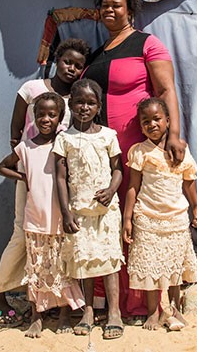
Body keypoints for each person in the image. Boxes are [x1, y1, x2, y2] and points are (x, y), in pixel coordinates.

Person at [80, 0, 187, 319]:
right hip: (100, 153)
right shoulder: (96, 53)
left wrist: (173, 135)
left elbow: (166, 90)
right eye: (104, 5)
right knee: (106, 219)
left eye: (117, 5)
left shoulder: (147, 44)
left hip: (136, 150)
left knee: (137, 221)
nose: (109, 10)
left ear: (130, 10)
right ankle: (105, 300)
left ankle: (141, 301)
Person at [0, 38, 90, 325]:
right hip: (32, 172)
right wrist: (23, 171)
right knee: (22, 234)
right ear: (57, 59)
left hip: (60, 177)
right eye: (68, 62)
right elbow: (15, 132)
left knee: (58, 238)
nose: (71, 69)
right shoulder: (32, 89)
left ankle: (55, 299)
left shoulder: (76, 99)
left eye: (78, 66)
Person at [0, 92, 86, 337]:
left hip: (60, 217)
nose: (46, 119)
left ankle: (65, 315)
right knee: (36, 268)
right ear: (33, 117)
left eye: (52, 115)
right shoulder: (25, 147)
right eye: (41, 114)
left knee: (62, 268)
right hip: (35, 218)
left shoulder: (63, 144)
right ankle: (37, 316)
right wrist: (23, 177)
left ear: (60, 118)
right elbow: (2, 167)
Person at [53, 79, 125, 340]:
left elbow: (118, 169)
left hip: (105, 211)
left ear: (99, 106)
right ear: (70, 104)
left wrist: (111, 190)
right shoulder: (64, 139)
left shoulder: (108, 135)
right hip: (79, 210)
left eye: (91, 103)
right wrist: (65, 212)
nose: (85, 107)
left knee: (108, 261)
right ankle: (87, 312)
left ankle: (114, 312)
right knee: (83, 261)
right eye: (80, 102)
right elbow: (60, 178)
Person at [122, 97, 197, 331]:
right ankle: (152, 311)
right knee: (150, 268)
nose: (152, 125)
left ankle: (174, 308)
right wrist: (127, 219)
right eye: (145, 121)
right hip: (147, 217)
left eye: (157, 119)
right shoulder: (139, 152)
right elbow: (132, 187)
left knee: (175, 267)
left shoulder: (180, 151)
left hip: (175, 218)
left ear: (168, 120)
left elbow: (189, 181)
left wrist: (196, 206)